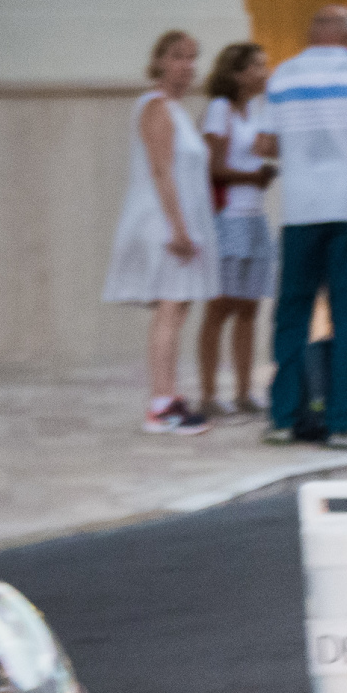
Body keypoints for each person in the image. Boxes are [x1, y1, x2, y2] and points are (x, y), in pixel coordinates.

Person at [263, 4, 347, 448]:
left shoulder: (282, 76)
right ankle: (343, 421)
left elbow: (266, 142)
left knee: (293, 314)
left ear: (310, 34)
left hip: (301, 210)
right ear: (345, 36)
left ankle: (284, 417)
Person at [104, 30, 217, 434]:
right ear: (160, 61)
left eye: (192, 57)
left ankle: (170, 395)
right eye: (177, 57)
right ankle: (161, 403)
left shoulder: (176, 109)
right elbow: (159, 169)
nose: (186, 65)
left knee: (179, 307)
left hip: (180, 219)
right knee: (170, 309)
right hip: (164, 222)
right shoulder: (155, 107)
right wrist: (179, 227)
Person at [197, 41, 276, 421]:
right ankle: (209, 393)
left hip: (254, 215)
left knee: (249, 306)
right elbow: (212, 167)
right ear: (237, 73)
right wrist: (254, 176)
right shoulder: (220, 110)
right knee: (220, 305)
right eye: (258, 66)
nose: (265, 72)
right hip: (228, 215)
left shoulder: (256, 111)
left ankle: (245, 390)